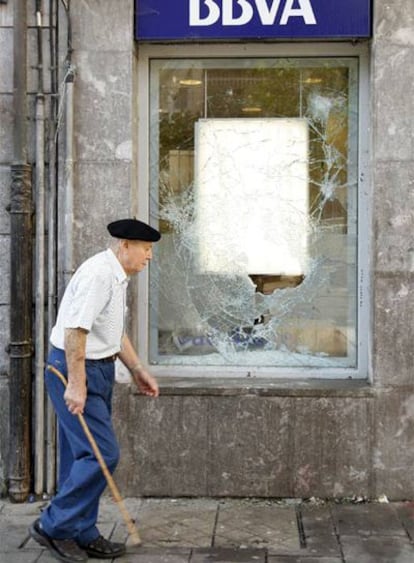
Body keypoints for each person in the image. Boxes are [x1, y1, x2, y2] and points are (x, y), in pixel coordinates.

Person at [29, 219, 161, 562]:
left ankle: (81, 532)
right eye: (145, 250)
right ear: (125, 246)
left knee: (79, 456)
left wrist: (138, 370)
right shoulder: (98, 275)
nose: (149, 257)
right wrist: (76, 384)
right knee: (102, 454)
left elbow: (114, 333)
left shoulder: (118, 277)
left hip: (98, 369)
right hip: (75, 369)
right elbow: (75, 331)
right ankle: (53, 526)